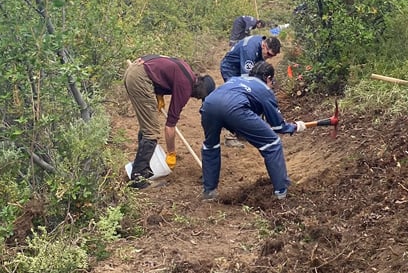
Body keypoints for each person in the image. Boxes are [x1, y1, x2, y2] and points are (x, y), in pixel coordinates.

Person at [199, 61, 306, 201]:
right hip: (235, 109)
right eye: (271, 81)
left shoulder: (236, 79)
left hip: (209, 104)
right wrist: (295, 126)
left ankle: (209, 192)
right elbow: (278, 127)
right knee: (272, 144)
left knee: (211, 145)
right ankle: (281, 192)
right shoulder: (265, 90)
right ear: (268, 78)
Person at [124, 54, 216, 189]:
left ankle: (144, 168)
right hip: (140, 79)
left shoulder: (187, 71)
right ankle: (138, 178)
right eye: (200, 97)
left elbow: (162, 62)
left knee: (147, 126)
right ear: (201, 90)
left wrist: (159, 94)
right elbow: (170, 126)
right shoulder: (185, 87)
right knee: (151, 131)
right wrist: (171, 153)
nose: (196, 99)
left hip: (136, 70)